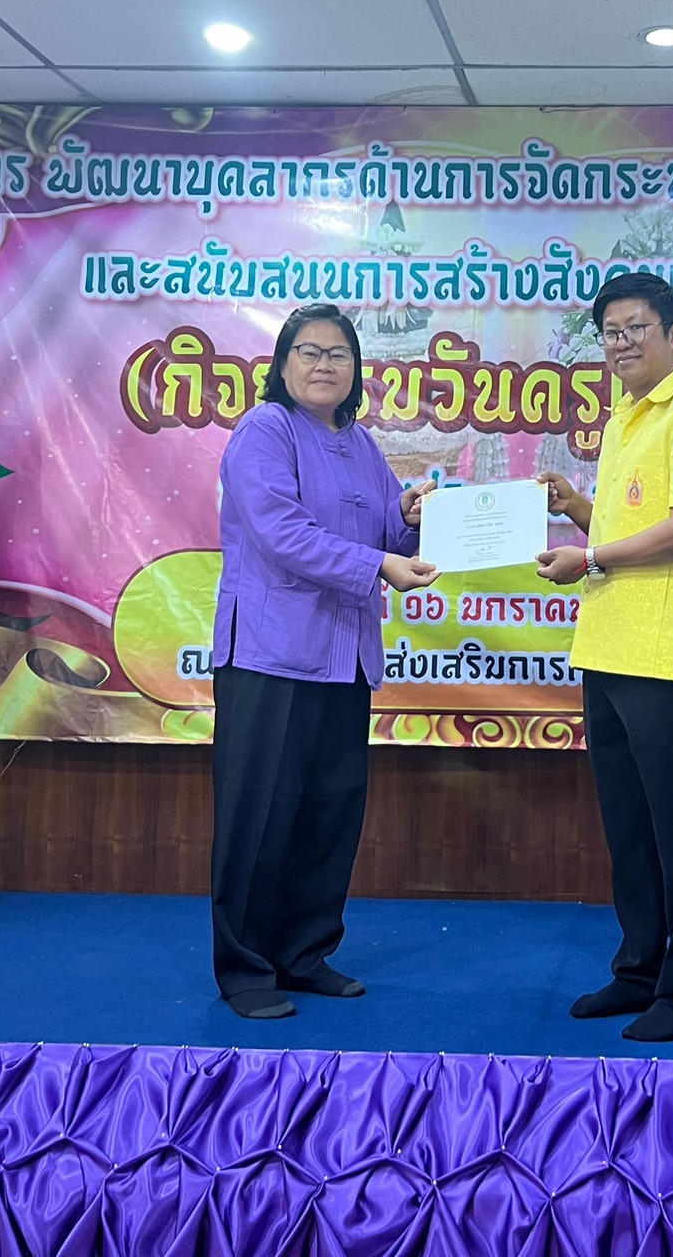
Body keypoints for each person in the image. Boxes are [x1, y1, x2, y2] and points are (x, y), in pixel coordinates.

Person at [210, 303, 437, 1019]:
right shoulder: (264, 431)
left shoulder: (361, 442)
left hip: (345, 658)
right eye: (308, 352)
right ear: (282, 364)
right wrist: (380, 562)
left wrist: (409, 519)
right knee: (259, 816)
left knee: (328, 814)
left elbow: (385, 534)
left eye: (338, 354)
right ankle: (246, 970)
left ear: (356, 369)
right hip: (271, 654)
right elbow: (283, 534)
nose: (323, 365)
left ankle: (304, 955)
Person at [535, 272, 673, 1043]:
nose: (620, 344)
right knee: (629, 825)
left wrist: (589, 557)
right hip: (611, 644)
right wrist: (577, 510)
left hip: (669, 652)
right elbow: (630, 528)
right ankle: (639, 970)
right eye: (610, 333)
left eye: (635, 329)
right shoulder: (625, 415)